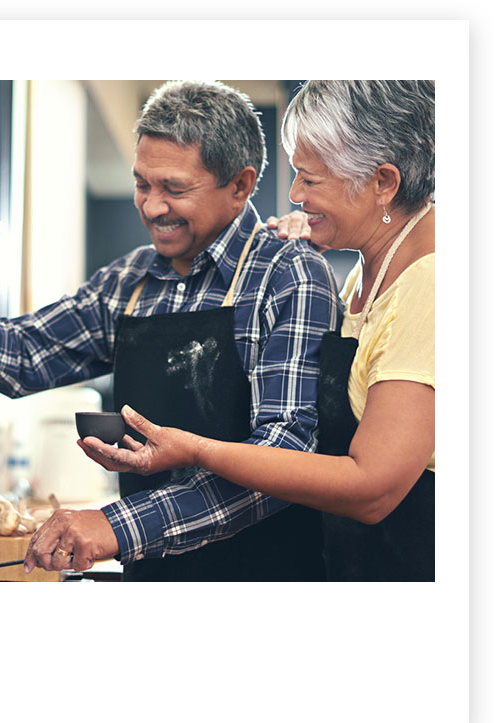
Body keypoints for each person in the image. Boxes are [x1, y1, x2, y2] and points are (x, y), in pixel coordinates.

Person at [0, 80, 340, 582]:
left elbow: (285, 457)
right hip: (151, 578)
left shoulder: (288, 275)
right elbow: (24, 354)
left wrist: (119, 526)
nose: (150, 207)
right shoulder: (128, 281)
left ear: (239, 185)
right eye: (142, 184)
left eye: (174, 188)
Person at [74, 80, 436, 582]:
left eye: (310, 180)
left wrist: (198, 449)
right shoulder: (363, 273)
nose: (293, 196)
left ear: (383, 183)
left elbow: (372, 488)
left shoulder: (432, 284)